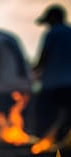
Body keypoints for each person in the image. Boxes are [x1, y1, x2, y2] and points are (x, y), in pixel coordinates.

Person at [32, 4, 71, 143]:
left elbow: (44, 57)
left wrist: (32, 73)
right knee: (67, 120)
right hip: (69, 85)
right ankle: (62, 146)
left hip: (52, 85)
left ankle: (43, 149)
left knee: (45, 119)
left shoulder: (53, 33)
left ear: (54, 18)